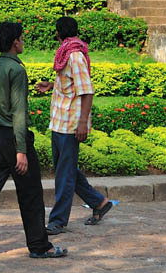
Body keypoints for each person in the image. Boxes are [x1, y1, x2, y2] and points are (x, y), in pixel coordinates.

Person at [0, 21, 64, 260]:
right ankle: (39, 245)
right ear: (15, 42)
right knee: (30, 193)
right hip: (14, 138)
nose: (23, 42)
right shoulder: (16, 70)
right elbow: (19, 111)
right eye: (22, 38)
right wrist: (21, 149)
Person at [39, 16, 114, 233]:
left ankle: (58, 220)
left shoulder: (74, 56)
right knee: (66, 170)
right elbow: (71, 84)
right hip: (60, 122)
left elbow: (87, 91)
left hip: (70, 125)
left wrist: (82, 123)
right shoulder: (66, 53)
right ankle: (99, 202)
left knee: (64, 174)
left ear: (58, 33)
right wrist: (52, 85)